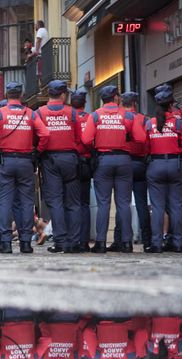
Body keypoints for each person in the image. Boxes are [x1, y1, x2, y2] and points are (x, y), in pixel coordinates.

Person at [81, 85, 145, 253]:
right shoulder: (128, 115)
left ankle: (101, 243)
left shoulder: (95, 116)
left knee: (103, 203)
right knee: (123, 203)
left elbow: (86, 140)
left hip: (103, 160)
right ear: (116, 98)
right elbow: (141, 138)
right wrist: (126, 136)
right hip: (124, 160)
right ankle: (126, 243)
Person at [0, 82, 42, 254]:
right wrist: (37, 151)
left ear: (7, 95)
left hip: (5, 161)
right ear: (21, 95)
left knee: (4, 202)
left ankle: (6, 242)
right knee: (26, 202)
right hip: (25, 161)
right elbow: (44, 133)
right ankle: (25, 242)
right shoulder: (30, 114)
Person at [35, 80, 82, 253]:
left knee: (56, 202)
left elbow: (38, 136)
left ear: (49, 94)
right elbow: (79, 137)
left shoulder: (39, 113)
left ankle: (60, 241)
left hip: (49, 160)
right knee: (74, 203)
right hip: (70, 158)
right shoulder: (73, 113)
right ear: (63, 95)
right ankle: (75, 241)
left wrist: (39, 152)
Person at [144, 88, 182, 253]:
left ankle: (156, 243)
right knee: (177, 205)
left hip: (155, 165)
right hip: (175, 164)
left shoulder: (150, 124)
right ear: (171, 105)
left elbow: (145, 147)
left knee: (157, 207)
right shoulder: (178, 123)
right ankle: (178, 243)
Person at [154, 83, 182, 251]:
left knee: (162, 204)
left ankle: (166, 238)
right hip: (181, 159)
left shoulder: (155, 120)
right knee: (178, 202)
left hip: (162, 161)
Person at [113, 92, 150, 250]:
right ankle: (148, 241)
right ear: (135, 103)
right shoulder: (145, 119)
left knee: (122, 204)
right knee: (142, 204)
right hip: (140, 164)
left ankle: (119, 240)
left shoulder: (118, 118)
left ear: (122, 103)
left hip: (123, 163)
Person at [70, 89, 92, 252]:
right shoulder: (90, 118)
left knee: (70, 203)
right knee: (84, 204)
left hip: (70, 162)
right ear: (84, 103)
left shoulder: (68, 117)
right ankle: (84, 241)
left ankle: (71, 239)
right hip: (86, 163)